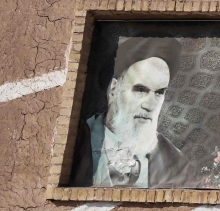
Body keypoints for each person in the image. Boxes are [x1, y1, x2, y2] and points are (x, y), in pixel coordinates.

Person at [71, 37, 196, 188]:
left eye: (159, 92)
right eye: (141, 89)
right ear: (113, 89)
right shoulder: (74, 141)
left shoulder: (175, 163)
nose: (150, 106)